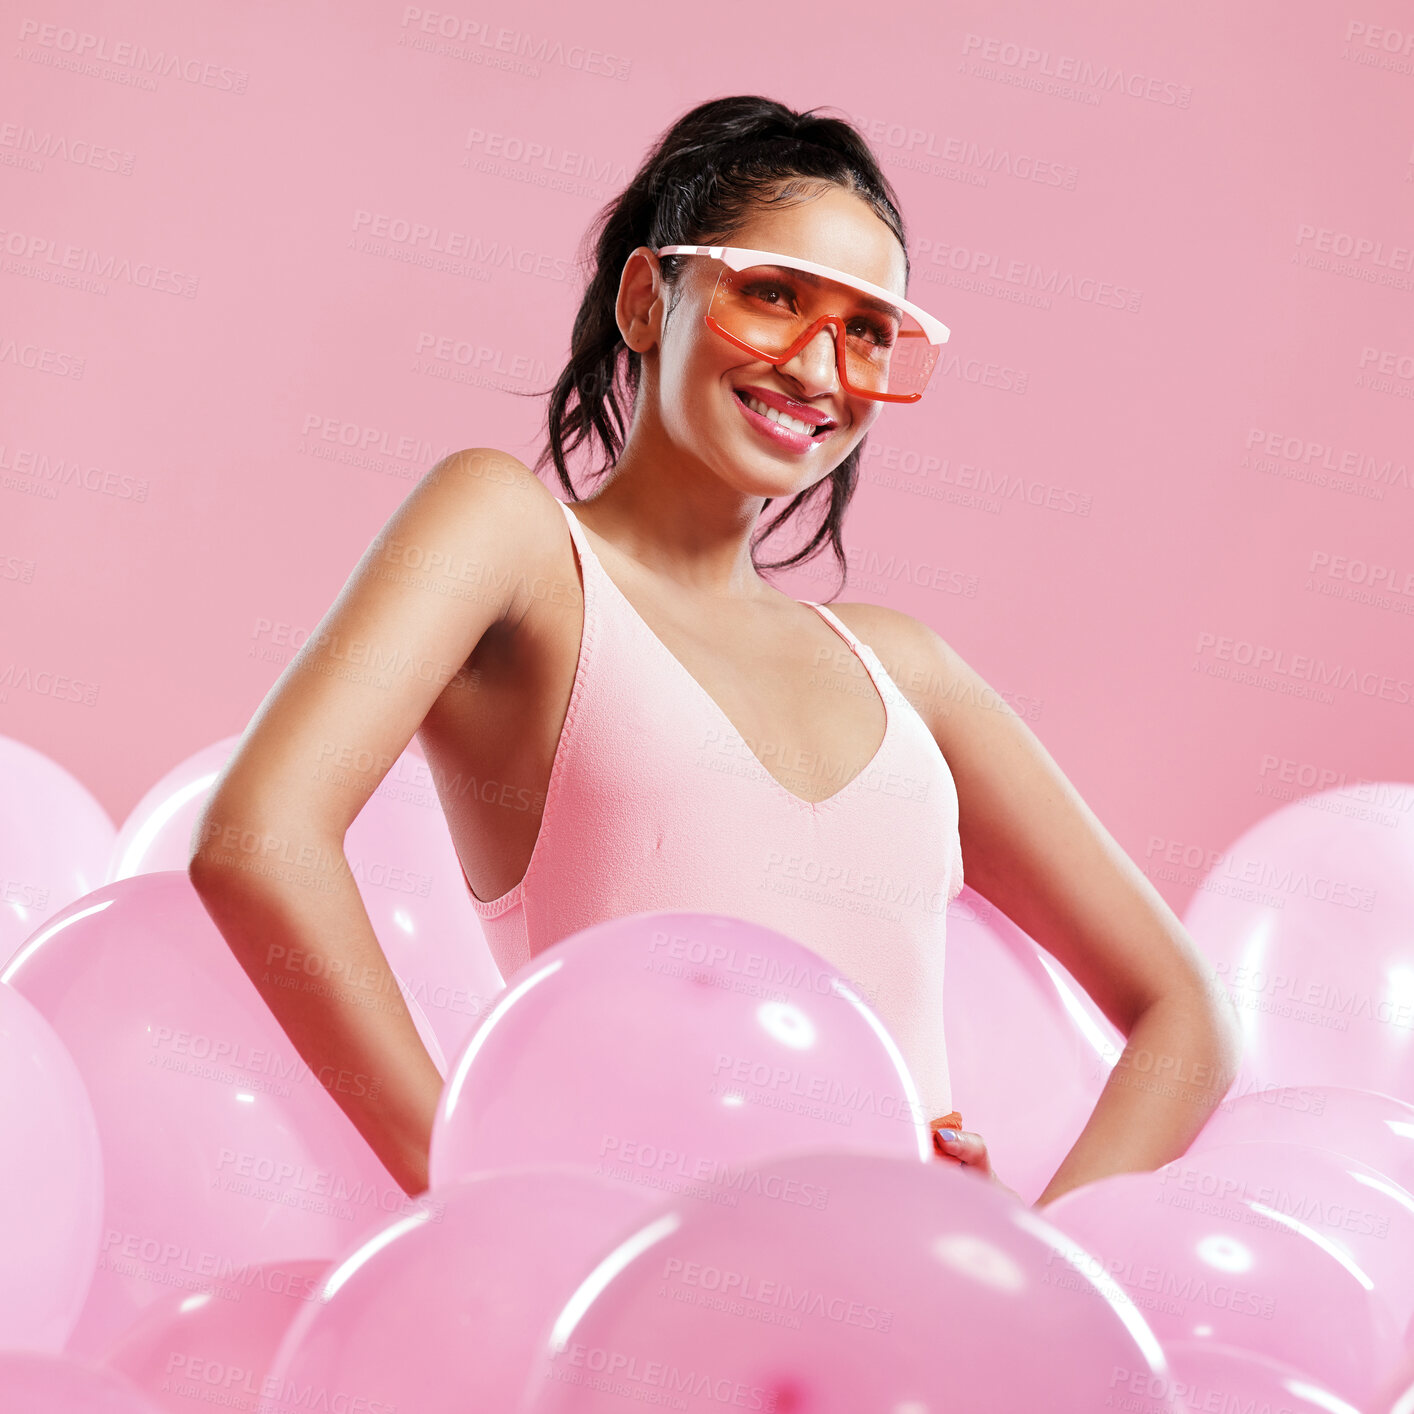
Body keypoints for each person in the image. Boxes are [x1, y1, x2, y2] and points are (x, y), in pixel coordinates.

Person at [188, 96, 1242, 1206]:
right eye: (773, 295)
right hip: (626, 1308)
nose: (817, 368)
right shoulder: (515, 543)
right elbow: (258, 838)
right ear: (648, 300)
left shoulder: (909, 672)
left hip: (901, 1330)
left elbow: (1187, 1018)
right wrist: (468, 1178)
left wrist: (1030, 1252)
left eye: (867, 330)